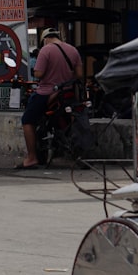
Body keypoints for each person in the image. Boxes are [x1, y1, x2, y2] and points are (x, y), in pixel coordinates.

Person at [17, 28, 82, 169]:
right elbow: (79, 74)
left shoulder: (45, 50)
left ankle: (32, 157)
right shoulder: (73, 50)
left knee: (27, 120)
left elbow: (39, 73)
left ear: (45, 39)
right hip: (69, 93)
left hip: (47, 92)